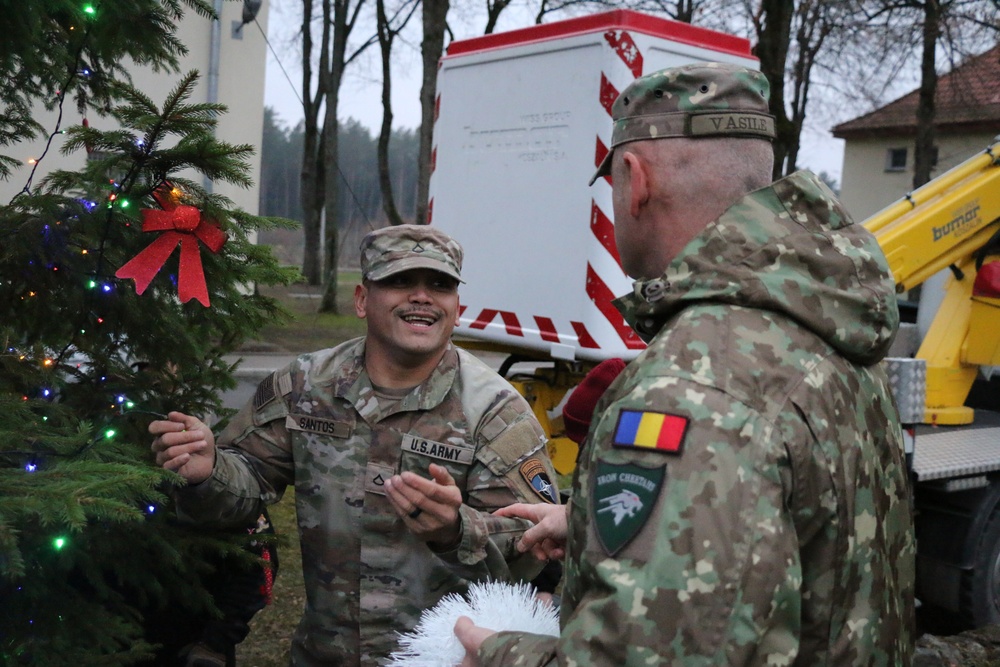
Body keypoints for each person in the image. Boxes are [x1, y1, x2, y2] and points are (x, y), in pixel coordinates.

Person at [455, 62, 916, 665]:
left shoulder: (692, 383)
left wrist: (497, 654)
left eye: (613, 185)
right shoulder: (824, 327)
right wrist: (597, 520)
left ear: (635, 178)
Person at [150, 224, 560, 666]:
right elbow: (244, 486)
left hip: (443, 658)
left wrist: (456, 530)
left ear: (456, 308)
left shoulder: (495, 412)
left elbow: (535, 549)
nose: (422, 296)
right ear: (362, 299)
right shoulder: (306, 385)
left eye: (440, 285)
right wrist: (208, 473)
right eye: (400, 281)